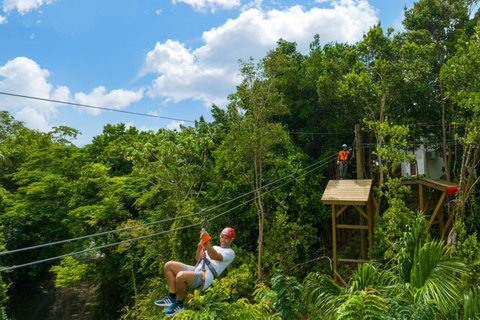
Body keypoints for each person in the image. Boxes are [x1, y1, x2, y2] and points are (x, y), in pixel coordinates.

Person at [155, 227, 236, 317]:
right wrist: (200, 246)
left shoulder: (230, 253)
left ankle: (179, 303)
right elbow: (197, 258)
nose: (223, 240)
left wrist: (207, 240)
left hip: (205, 277)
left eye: (226, 238)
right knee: (169, 265)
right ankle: (171, 296)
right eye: (222, 237)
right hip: (197, 270)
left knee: (180, 276)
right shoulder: (214, 247)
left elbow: (213, 255)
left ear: (231, 240)